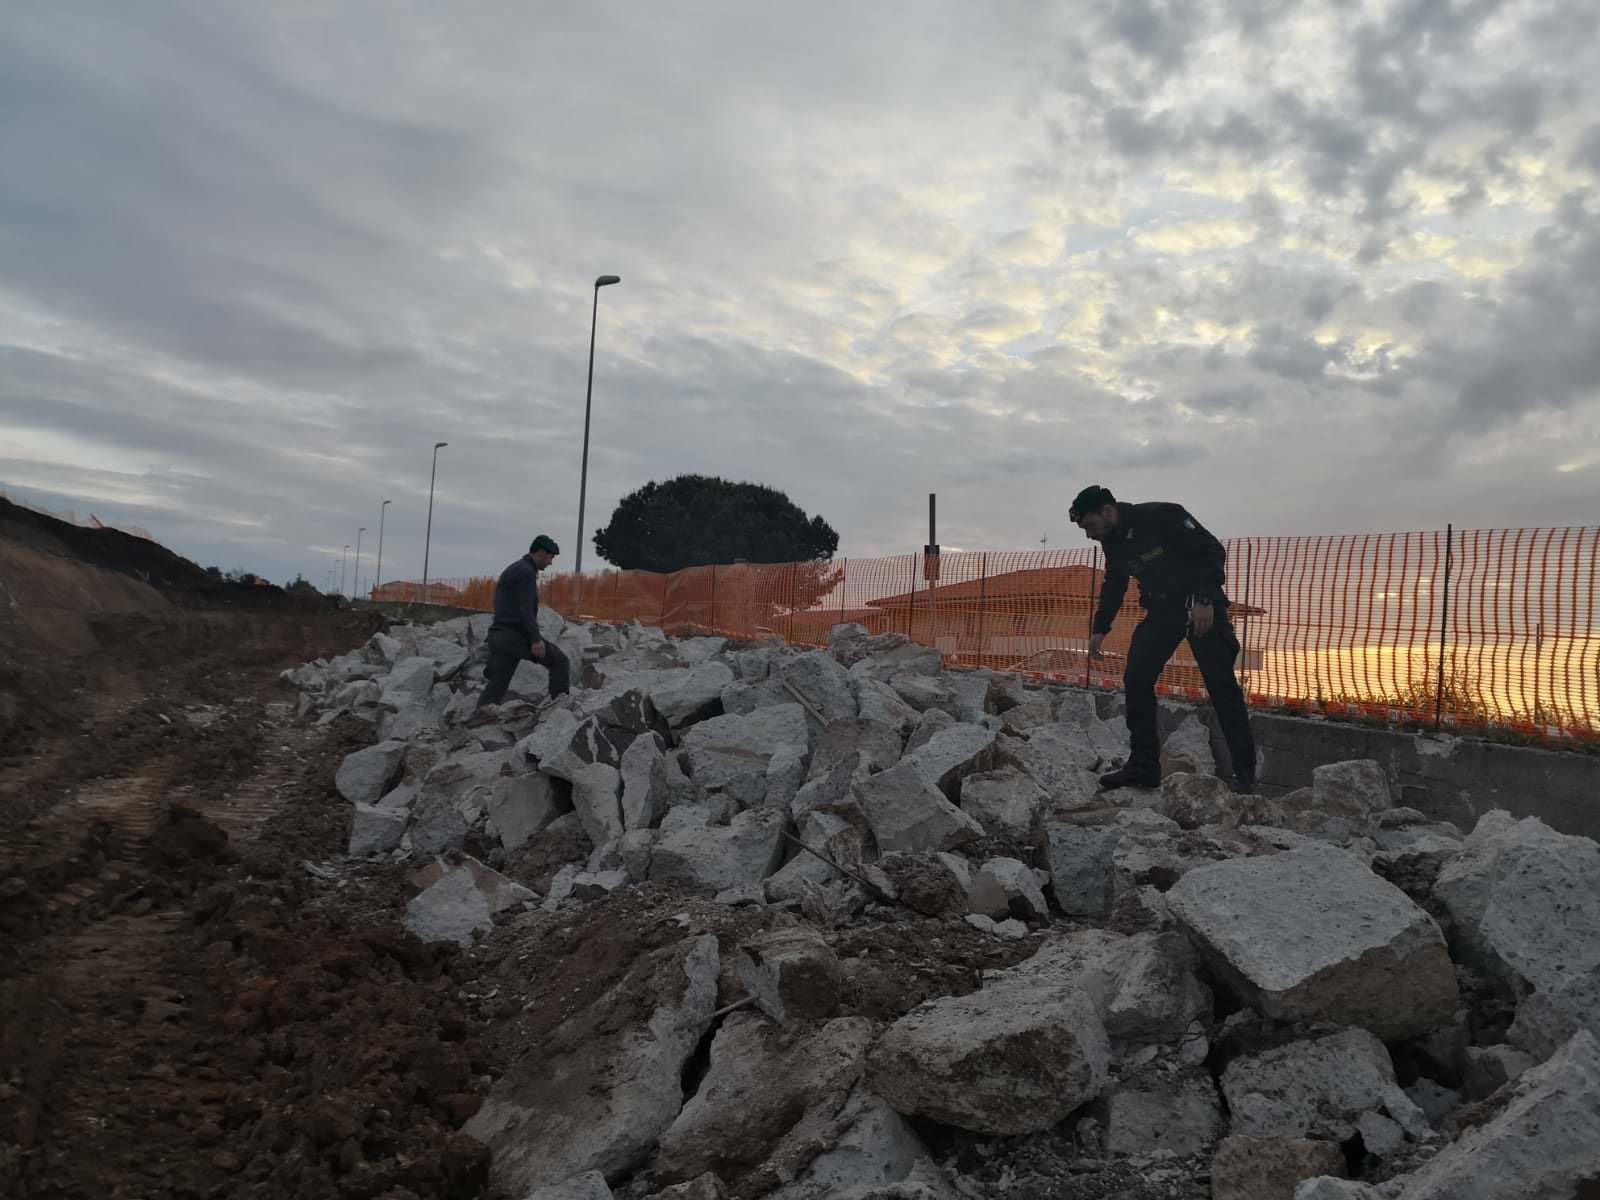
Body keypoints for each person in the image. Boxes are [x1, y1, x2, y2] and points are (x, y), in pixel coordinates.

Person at [1069, 484, 1257, 793]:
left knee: (1221, 686)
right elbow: (1114, 583)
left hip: (1202, 608)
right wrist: (1100, 628)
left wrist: (1205, 599)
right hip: (1162, 612)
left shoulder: (1161, 515)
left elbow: (1211, 550)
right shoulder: (1111, 540)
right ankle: (1143, 768)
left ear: (1107, 511)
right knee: (1137, 679)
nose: (1089, 535)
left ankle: (1245, 774)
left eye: (1089, 526)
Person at [477, 534, 570, 709]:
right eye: (550, 557)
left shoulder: (513, 568)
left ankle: (480, 715)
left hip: (500, 635)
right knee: (559, 661)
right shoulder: (527, 573)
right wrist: (535, 639)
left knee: (499, 681)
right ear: (541, 553)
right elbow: (525, 609)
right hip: (514, 636)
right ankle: (560, 711)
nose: (550, 563)